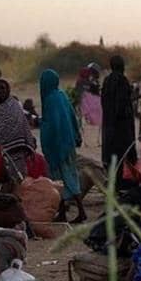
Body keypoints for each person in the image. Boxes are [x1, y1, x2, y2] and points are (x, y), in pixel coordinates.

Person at [39, 69, 86, 223]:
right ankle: (75, 211)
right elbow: (72, 117)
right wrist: (76, 136)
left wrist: (40, 123)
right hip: (68, 144)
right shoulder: (62, 96)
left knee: (59, 179)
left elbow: (51, 125)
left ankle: (66, 212)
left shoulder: (50, 101)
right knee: (71, 176)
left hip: (57, 146)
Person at [0, 79, 36, 176]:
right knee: (4, 180)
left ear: (8, 89)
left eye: (3, 88)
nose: (0, 91)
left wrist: (30, 141)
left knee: (20, 179)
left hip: (18, 150)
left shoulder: (15, 105)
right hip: (0, 154)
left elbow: (24, 124)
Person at [100, 55, 138, 180]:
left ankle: (114, 182)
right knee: (124, 155)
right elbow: (122, 105)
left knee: (111, 157)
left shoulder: (107, 81)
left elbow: (104, 102)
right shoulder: (122, 81)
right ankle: (123, 182)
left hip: (109, 125)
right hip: (121, 128)